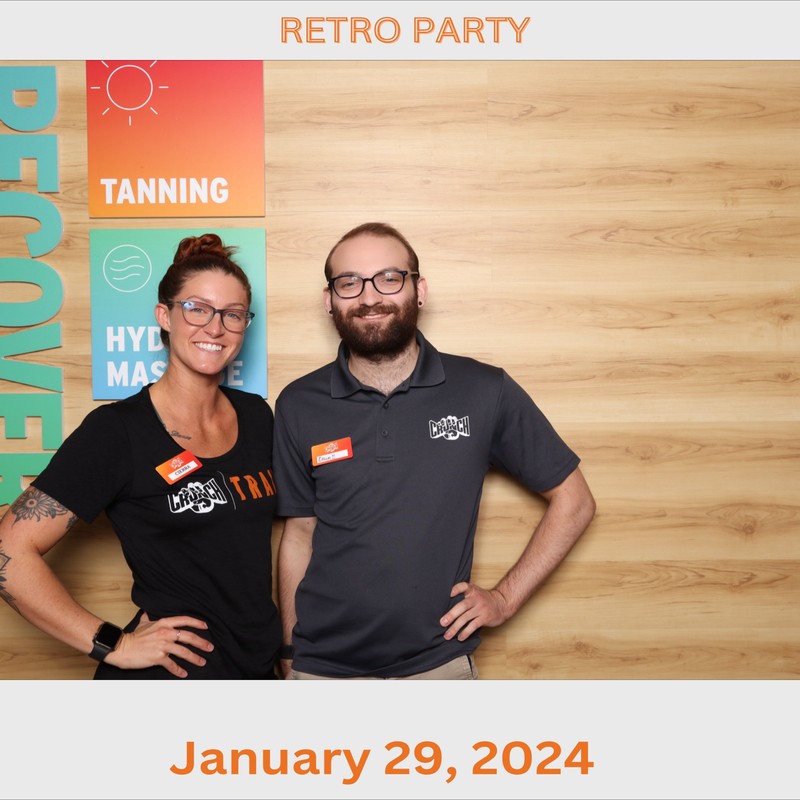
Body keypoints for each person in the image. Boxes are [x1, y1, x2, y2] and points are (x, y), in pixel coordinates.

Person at [273, 221, 597, 680]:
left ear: (418, 289)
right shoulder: (298, 403)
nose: (369, 297)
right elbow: (299, 533)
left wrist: (504, 599)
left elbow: (576, 501)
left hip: (437, 665)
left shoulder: (484, 390)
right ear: (330, 301)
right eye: (349, 283)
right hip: (320, 670)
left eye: (389, 278)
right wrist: (289, 651)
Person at [0, 233, 281, 679]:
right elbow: (8, 552)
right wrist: (114, 643)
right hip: (171, 679)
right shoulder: (118, 431)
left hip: (257, 669)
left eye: (233, 314)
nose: (215, 327)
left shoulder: (258, 417)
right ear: (164, 316)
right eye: (197, 308)